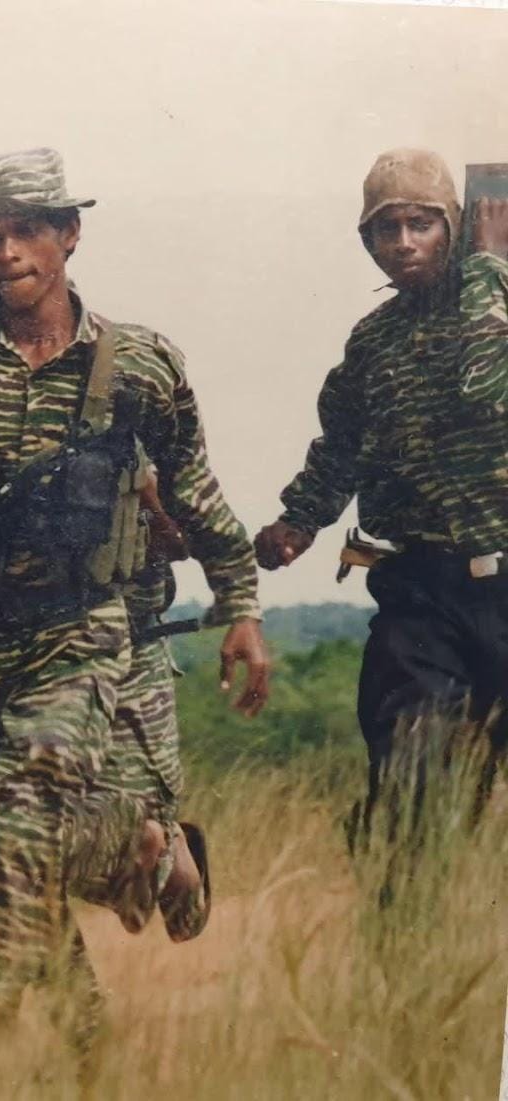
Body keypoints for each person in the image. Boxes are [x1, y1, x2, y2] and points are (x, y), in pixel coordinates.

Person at [0, 149, 266, 1073]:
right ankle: (101, 991)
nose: (5, 250)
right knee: (12, 837)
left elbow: (197, 494)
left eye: (26, 228)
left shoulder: (142, 363)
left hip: (80, 633)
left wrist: (241, 603)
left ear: (70, 232)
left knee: (13, 818)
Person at [256, 150, 508, 846]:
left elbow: (487, 387)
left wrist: (490, 273)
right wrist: (299, 519)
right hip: (423, 595)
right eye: (385, 229)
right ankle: (407, 945)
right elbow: (341, 442)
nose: (402, 243)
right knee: (411, 783)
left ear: (455, 225)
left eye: (421, 224)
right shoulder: (373, 343)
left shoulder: (500, 298)